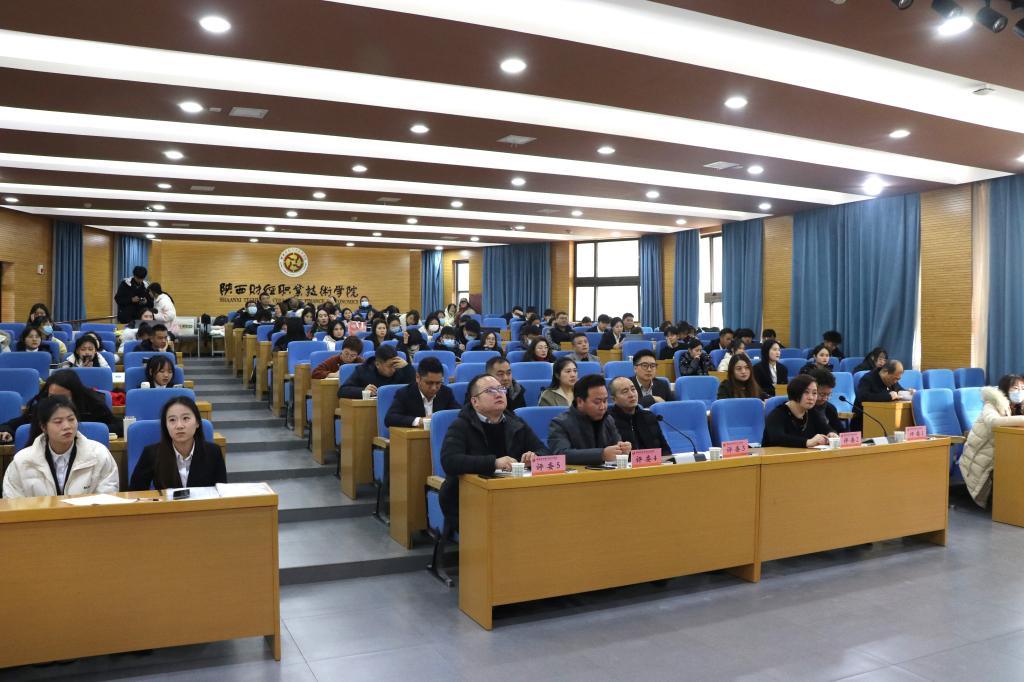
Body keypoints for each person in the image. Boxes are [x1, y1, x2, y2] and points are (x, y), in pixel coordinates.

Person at [438, 373, 548, 526]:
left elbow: (543, 450)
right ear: (475, 402)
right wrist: (494, 463)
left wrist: (534, 456)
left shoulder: (516, 422)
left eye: (501, 389)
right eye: (490, 391)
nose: (499, 394)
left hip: (512, 495)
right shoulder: (461, 425)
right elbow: (450, 461)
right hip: (468, 500)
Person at [2, 395, 119, 498]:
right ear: (43, 427)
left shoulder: (99, 454)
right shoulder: (22, 461)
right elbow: (12, 502)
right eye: (58, 421)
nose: (67, 426)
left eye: (71, 419)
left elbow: (108, 498)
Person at [129, 396, 227, 491]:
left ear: (197, 422)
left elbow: (222, 492)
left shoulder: (214, 452)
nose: (179, 426)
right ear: (165, 425)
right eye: (172, 420)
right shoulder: (151, 454)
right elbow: (135, 493)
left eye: (186, 418)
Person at [959, 375, 1024, 508]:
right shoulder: (992, 404)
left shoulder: (1018, 406)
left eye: (1022, 388)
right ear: (1005, 389)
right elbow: (993, 422)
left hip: (1005, 451)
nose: (1020, 392)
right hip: (982, 455)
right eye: (1015, 388)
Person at [548, 374, 630, 465]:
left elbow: (616, 445)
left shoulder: (608, 419)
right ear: (580, 402)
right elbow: (561, 454)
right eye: (597, 402)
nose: (603, 407)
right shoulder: (560, 423)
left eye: (605, 401)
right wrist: (601, 454)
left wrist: (622, 449)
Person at [762, 374, 837, 448]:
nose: (811, 397)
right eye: (806, 392)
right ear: (795, 392)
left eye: (814, 393)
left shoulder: (812, 412)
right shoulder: (777, 414)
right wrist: (807, 442)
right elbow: (777, 438)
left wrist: (831, 433)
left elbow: (826, 428)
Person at [384, 357, 460, 428]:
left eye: (438, 383)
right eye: (429, 383)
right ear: (418, 377)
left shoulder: (446, 392)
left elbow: (459, 414)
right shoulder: (404, 393)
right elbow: (390, 419)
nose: (434, 388)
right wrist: (420, 421)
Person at [608, 376, 670, 457]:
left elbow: (665, 451)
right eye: (625, 391)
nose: (631, 394)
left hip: (653, 463)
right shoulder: (609, 421)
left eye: (633, 389)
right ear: (614, 399)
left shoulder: (649, 416)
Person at [851, 360, 912, 432]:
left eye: (898, 379)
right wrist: (888, 396)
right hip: (864, 421)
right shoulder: (868, 379)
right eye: (895, 378)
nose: (896, 381)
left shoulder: (892, 380)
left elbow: (899, 391)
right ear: (885, 372)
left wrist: (908, 392)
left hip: (885, 418)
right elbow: (863, 397)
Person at [338, 344, 415, 399]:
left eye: (394, 365)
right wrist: (364, 391)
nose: (393, 369)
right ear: (377, 364)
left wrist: (408, 368)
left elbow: (415, 390)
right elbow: (342, 391)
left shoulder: (400, 368)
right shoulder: (363, 370)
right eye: (389, 366)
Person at [807, 368, 844, 434]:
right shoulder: (805, 409)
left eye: (829, 394)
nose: (825, 398)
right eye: (822, 394)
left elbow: (840, 431)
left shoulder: (830, 408)